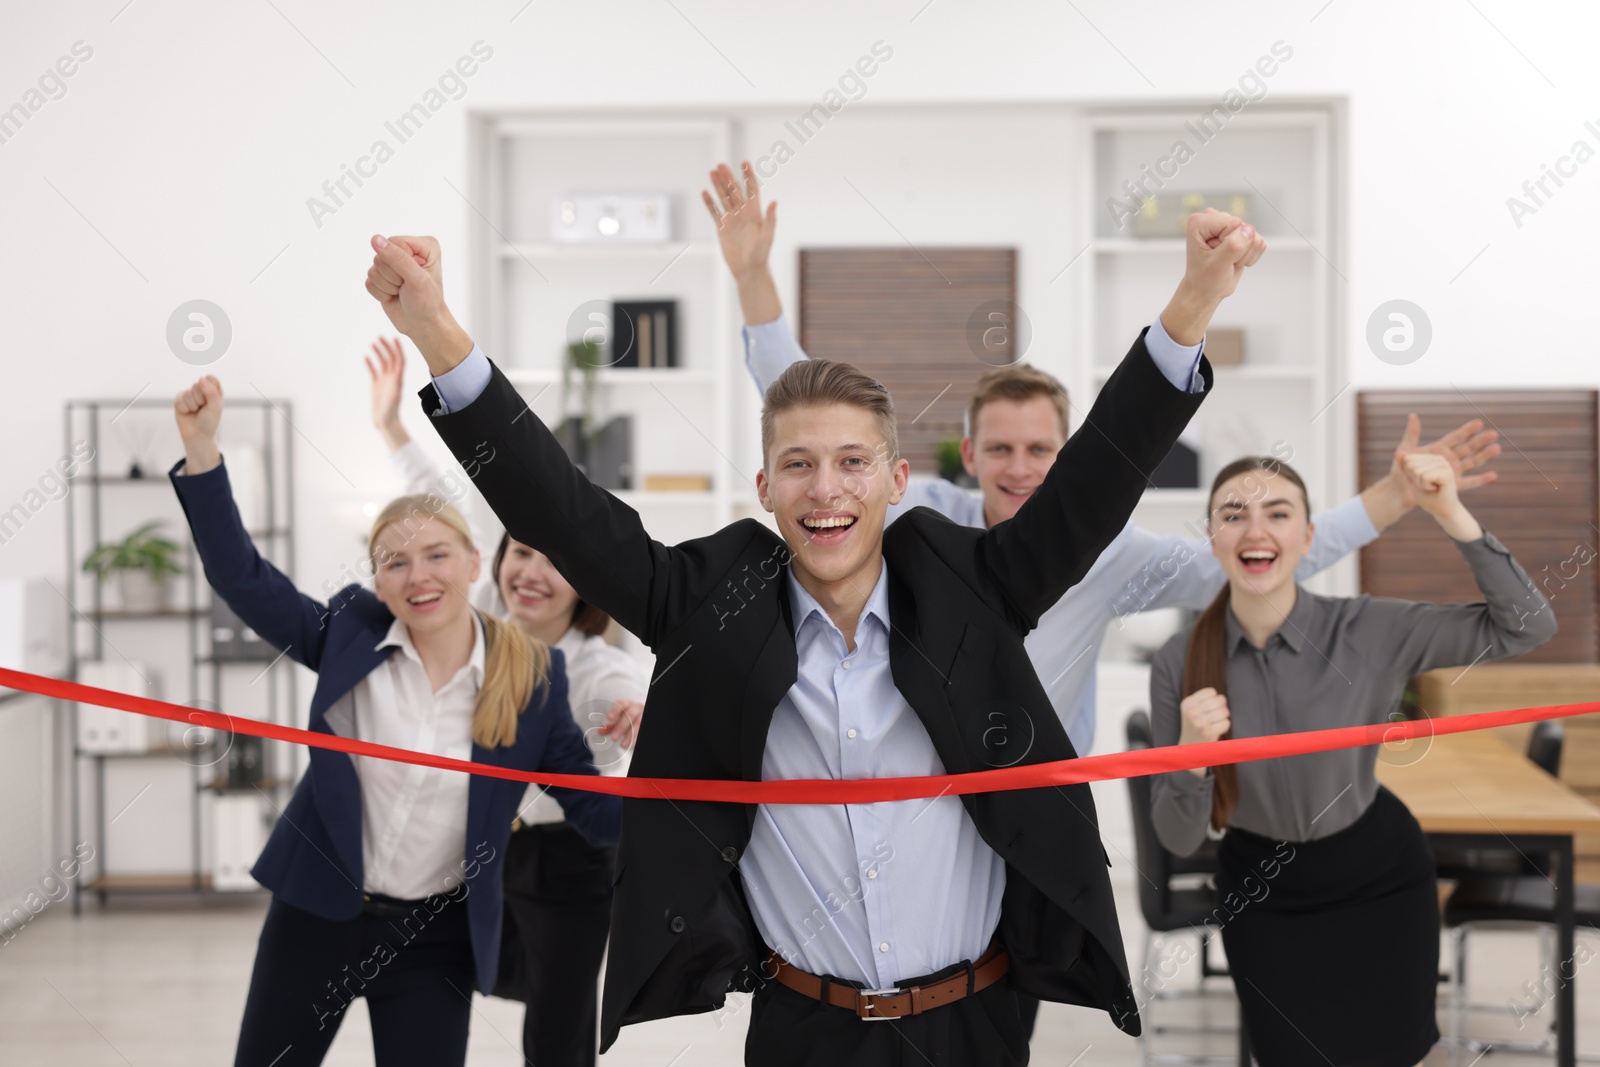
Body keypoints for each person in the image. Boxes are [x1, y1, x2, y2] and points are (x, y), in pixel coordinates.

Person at [362, 207, 1254, 1065]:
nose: (826, 488)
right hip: (804, 1029)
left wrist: (1192, 304)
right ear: (764, 485)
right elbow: (562, 507)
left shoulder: (978, 587)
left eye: (852, 462)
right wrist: (438, 330)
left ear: (897, 478)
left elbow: (1093, 482)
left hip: (977, 1023)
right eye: (799, 463)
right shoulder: (701, 604)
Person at [702, 159, 1503, 759]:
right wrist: (751, 276)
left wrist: (1395, 497)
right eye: (1001, 449)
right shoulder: (919, 520)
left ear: (1068, 455)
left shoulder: (1112, 556)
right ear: (966, 455)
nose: (1020, 468)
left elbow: (1262, 552)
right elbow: (805, 416)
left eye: (1042, 449)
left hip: (1035, 797)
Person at [167, 375, 620, 1067]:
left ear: (474, 564)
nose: (418, 575)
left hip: (433, 940)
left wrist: (701, 802)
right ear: (378, 581)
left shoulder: (531, 677)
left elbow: (594, 808)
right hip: (316, 914)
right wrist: (202, 451)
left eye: (437, 554)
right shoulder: (347, 632)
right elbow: (243, 579)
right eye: (396, 561)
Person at [1148, 453, 1555, 1066]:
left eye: (1277, 514)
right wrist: (1188, 758)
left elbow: (1528, 626)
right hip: (1264, 896)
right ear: (1214, 539)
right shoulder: (1178, 661)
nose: (1256, 531)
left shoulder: (1369, 629)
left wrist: (1447, 511)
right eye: (1235, 515)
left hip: (1379, 881)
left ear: (1308, 537)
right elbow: (1178, 839)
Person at [365, 337, 648, 1067]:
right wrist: (392, 425)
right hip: (484, 841)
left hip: (568, 857)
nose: (532, 571)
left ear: (588, 580)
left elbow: (625, 697)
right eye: (521, 551)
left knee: (556, 1026)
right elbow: (441, 499)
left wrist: (640, 724)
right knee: (451, 981)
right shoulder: (479, 611)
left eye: (556, 561)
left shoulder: (595, 663)